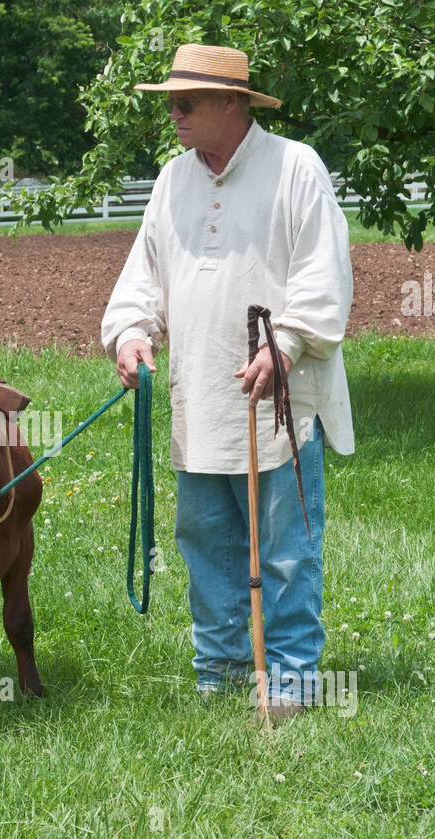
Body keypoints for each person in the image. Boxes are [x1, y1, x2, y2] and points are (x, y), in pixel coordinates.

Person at [101, 43, 354, 722]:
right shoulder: (170, 180)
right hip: (200, 402)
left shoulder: (296, 168)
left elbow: (324, 280)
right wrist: (131, 334)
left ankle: (293, 677)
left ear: (232, 104)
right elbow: (143, 280)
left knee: (286, 550)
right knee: (206, 542)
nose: (174, 114)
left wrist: (289, 343)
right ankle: (220, 666)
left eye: (187, 102)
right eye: (170, 102)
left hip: (281, 402)